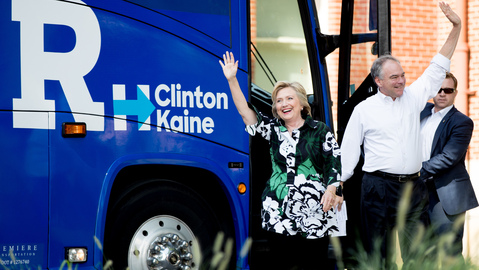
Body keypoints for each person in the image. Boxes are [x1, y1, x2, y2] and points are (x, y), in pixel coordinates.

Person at [340, 1, 461, 267]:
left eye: (403, 75)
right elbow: (348, 153)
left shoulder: (414, 97)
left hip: (413, 190)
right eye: (394, 77)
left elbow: (438, 65)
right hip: (377, 189)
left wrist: (456, 26)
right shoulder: (363, 110)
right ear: (378, 81)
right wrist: (337, 185)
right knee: (379, 258)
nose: (401, 81)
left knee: (419, 256)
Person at [219, 51, 342, 269]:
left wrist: (332, 190)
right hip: (278, 213)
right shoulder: (273, 130)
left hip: (314, 213)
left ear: (302, 103)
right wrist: (232, 79)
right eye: (278, 101)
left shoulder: (320, 130)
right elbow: (245, 112)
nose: (283, 104)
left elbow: (334, 164)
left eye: (289, 98)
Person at [420, 72, 478, 257]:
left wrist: (415, 171)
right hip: (417, 193)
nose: (442, 93)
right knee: (420, 254)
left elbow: (449, 156)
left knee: (448, 255)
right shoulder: (420, 113)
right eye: (438, 89)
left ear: (455, 93)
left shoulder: (462, 122)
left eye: (448, 90)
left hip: (445, 196)